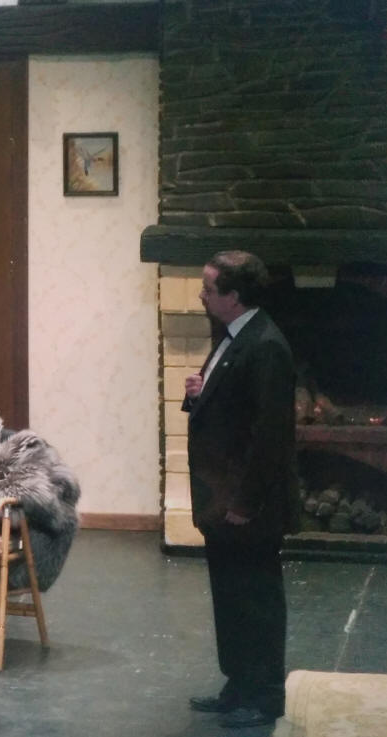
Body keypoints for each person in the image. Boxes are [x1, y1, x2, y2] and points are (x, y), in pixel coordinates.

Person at [182, 250, 299, 729]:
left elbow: (270, 436)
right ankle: (238, 685)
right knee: (230, 597)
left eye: (209, 289)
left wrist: (245, 503)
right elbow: (229, 407)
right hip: (222, 500)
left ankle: (265, 695)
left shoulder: (266, 345)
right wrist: (196, 395)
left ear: (233, 296)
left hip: (247, 505)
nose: (202, 295)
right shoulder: (233, 334)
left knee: (256, 601)